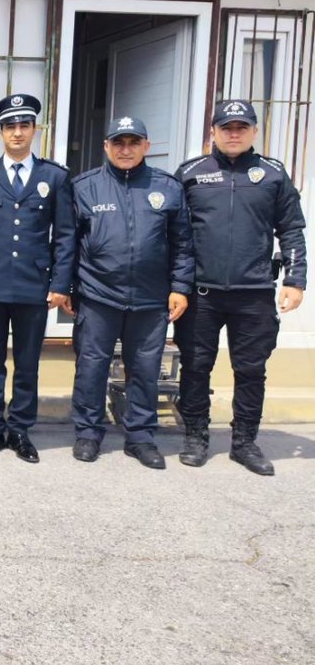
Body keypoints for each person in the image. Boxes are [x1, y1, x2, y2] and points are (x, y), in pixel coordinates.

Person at [174, 99, 306, 476]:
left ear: (253, 131)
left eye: (241, 127)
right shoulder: (191, 174)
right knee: (196, 366)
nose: (233, 134)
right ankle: (196, 436)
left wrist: (295, 280)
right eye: (226, 127)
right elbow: (175, 234)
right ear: (212, 132)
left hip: (254, 292)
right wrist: (175, 285)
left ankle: (244, 442)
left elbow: (292, 230)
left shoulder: (273, 174)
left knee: (251, 370)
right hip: (201, 293)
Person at [68, 116, 194, 469]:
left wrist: (180, 288)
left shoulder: (167, 187)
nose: (126, 150)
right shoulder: (84, 187)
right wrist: (66, 289)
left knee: (145, 369)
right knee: (91, 367)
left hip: (151, 298)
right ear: (106, 146)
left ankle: (140, 437)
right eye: (118, 143)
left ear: (146, 147)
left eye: (133, 143)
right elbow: (67, 244)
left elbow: (183, 244)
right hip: (98, 295)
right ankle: (89, 433)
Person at [0, 94, 75, 463]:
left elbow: (65, 235)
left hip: (34, 284)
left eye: (24, 125)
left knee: (28, 363)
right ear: (1, 132)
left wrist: (60, 284)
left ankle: (21, 430)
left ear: (34, 130)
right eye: (10, 126)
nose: (17, 132)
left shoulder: (54, 176)